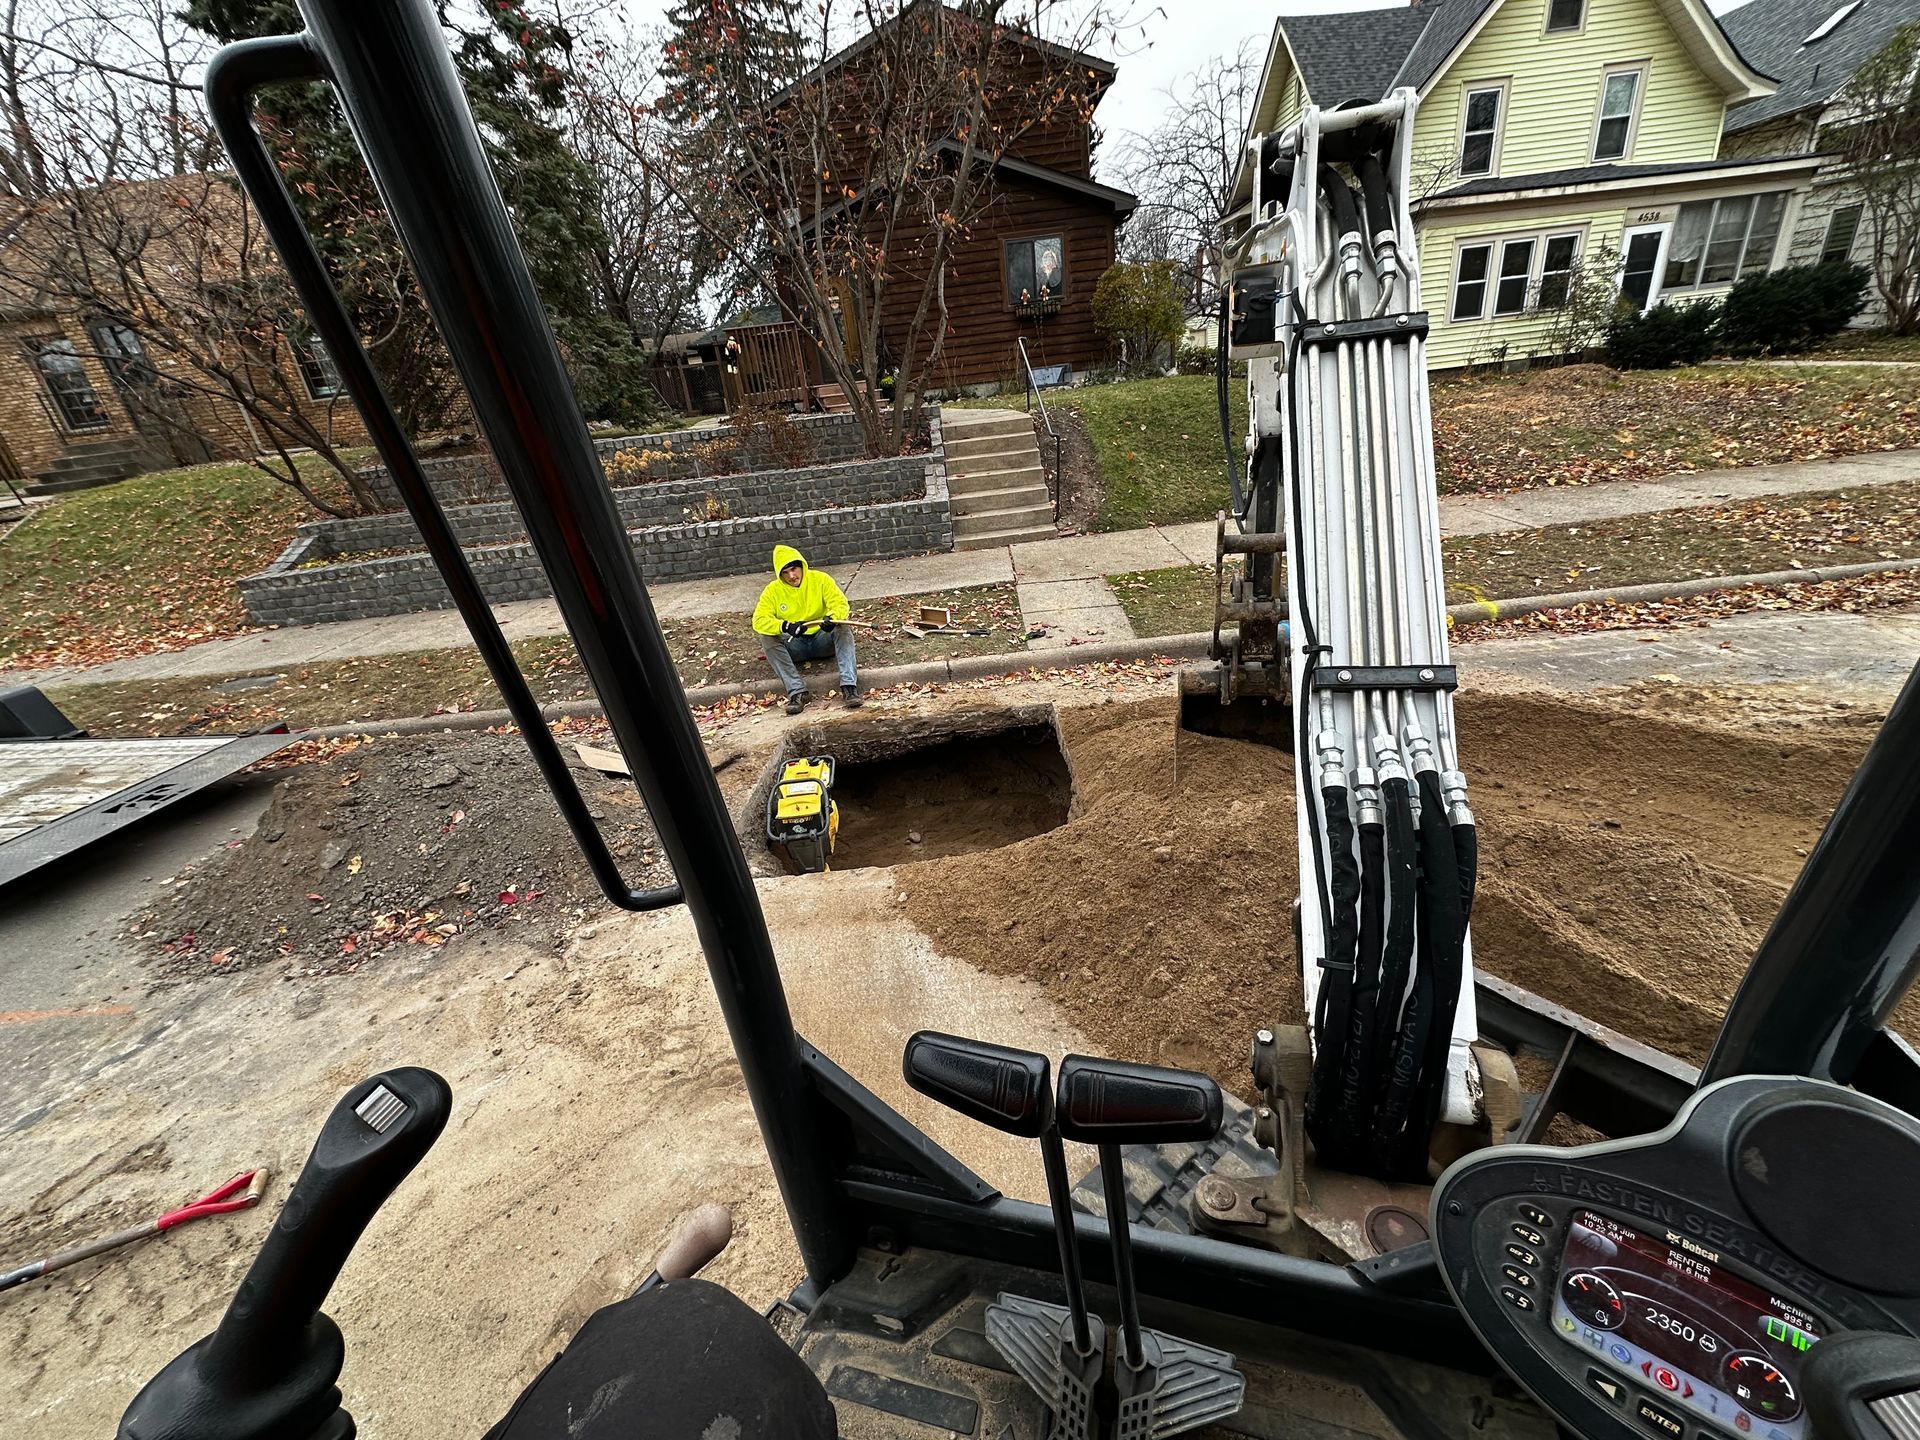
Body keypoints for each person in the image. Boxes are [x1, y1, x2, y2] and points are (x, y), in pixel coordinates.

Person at [752, 543, 861, 714]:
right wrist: (785, 626)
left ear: (802, 565)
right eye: (785, 572)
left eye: (794, 569)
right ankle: (797, 692)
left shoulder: (821, 579)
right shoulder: (772, 591)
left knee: (843, 628)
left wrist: (831, 619)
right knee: (767, 638)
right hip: (794, 645)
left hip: (823, 640)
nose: (792, 576)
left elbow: (840, 604)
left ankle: (849, 687)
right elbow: (759, 620)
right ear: (779, 574)